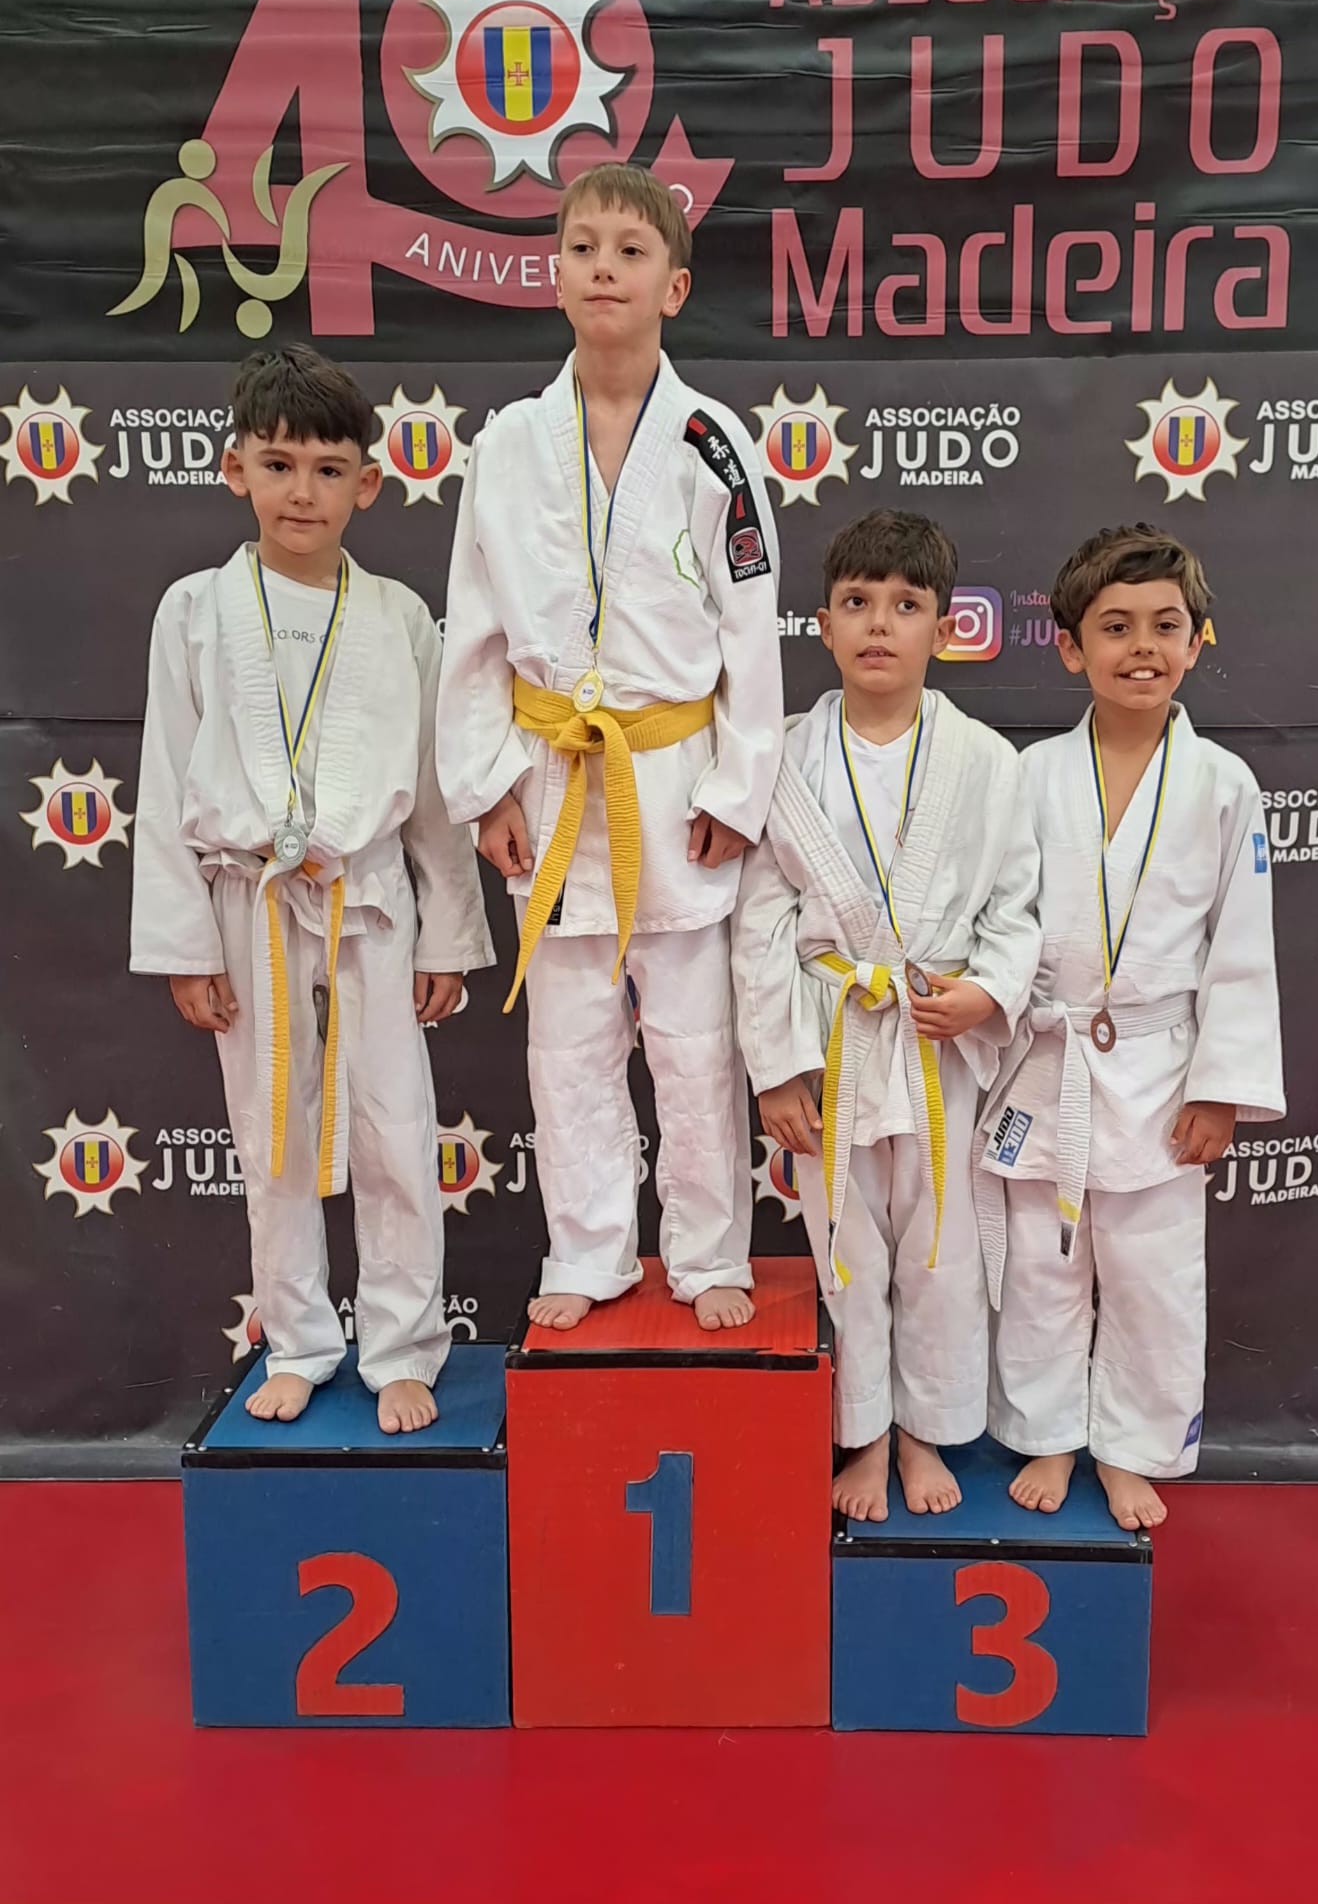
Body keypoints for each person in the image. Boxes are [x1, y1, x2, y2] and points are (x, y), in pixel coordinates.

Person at [438, 166, 783, 1332]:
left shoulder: (713, 443)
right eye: (582, 246)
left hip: (673, 781)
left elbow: (750, 630)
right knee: (568, 1042)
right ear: (553, 273)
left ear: (672, 285)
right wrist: (485, 785)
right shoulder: (508, 442)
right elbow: (474, 630)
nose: (603, 267)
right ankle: (586, 1247)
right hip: (550, 779)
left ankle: (708, 1249)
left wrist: (739, 784)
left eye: (630, 251)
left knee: (693, 1042)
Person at [130, 344, 490, 1432]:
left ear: (367, 484)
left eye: (328, 470)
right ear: (234, 467)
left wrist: (448, 936)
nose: (302, 491)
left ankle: (403, 1345)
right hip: (250, 902)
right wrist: (187, 946)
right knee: (270, 1132)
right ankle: (294, 1339)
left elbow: (434, 798)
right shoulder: (194, 610)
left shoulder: (400, 617)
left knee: (395, 1128)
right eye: (278, 464)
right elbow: (164, 779)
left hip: (368, 902)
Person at [732, 510, 1039, 1520]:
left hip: (934, 1032)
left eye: (905, 605)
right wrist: (776, 1066)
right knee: (846, 1248)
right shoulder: (780, 757)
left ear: (943, 629)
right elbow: (759, 921)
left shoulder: (987, 761)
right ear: (821, 625)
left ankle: (924, 1432)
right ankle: (861, 1434)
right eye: (856, 602)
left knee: (939, 1247)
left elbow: (1015, 905)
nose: (878, 623)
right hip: (831, 1033)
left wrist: (987, 991)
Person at [978, 522, 1284, 1529]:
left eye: (1163, 624)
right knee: (1041, 1265)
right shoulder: (1029, 776)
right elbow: (1003, 922)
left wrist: (1219, 1088)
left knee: (1152, 1274)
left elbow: (1239, 947)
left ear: (1197, 640)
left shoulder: (1222, 784)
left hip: (1160, 1065)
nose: (1141, 646)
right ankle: (1048, 1432)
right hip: (1049, 1057)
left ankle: (1132, 1447)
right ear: (1070, 647)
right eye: (1114, 627)